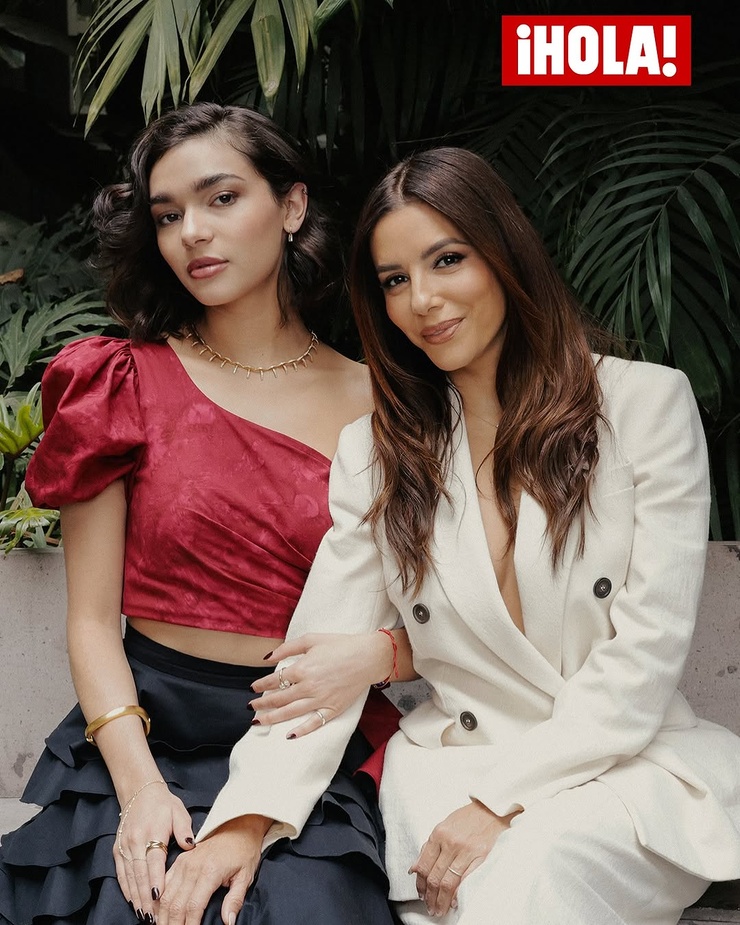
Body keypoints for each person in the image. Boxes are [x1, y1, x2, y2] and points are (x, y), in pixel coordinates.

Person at [158, 146, 740, 925]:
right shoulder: (379, 452)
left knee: (532, 868)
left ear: (504, 253)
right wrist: (243, 819)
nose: (423, 300)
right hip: (448, 772)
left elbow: (642, 661)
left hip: (621, 773)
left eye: (447, 259)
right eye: (395, 280)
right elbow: (316, 667)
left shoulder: (645, 407)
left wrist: (499, 801)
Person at [0, 102, 408, 925]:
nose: (192, 232)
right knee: (131, 903)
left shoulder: (389, 404)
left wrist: (384, 657)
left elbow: (449, 607)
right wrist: (141, 789)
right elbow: (90, 622)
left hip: (311, 738)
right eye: (167, 214)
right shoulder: (119, 383)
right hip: (145, 731)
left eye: (222, 198)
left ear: (290, 205)